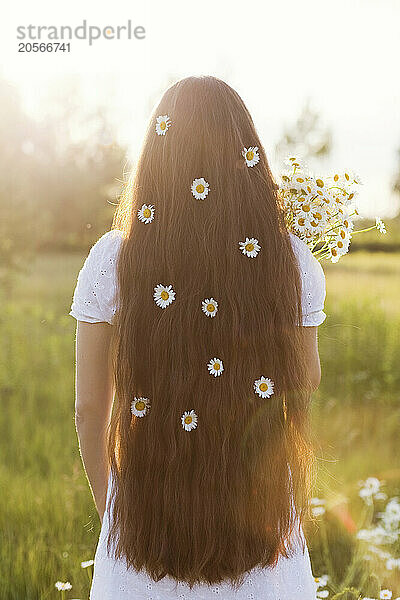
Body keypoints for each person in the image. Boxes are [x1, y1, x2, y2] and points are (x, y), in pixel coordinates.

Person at [69, 75, 326, 599]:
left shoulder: (112, 260)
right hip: (262, 529)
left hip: (141, 526)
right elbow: (304, 380)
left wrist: (113, 511)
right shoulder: (291, 261)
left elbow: (88, 408)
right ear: (246, 155)